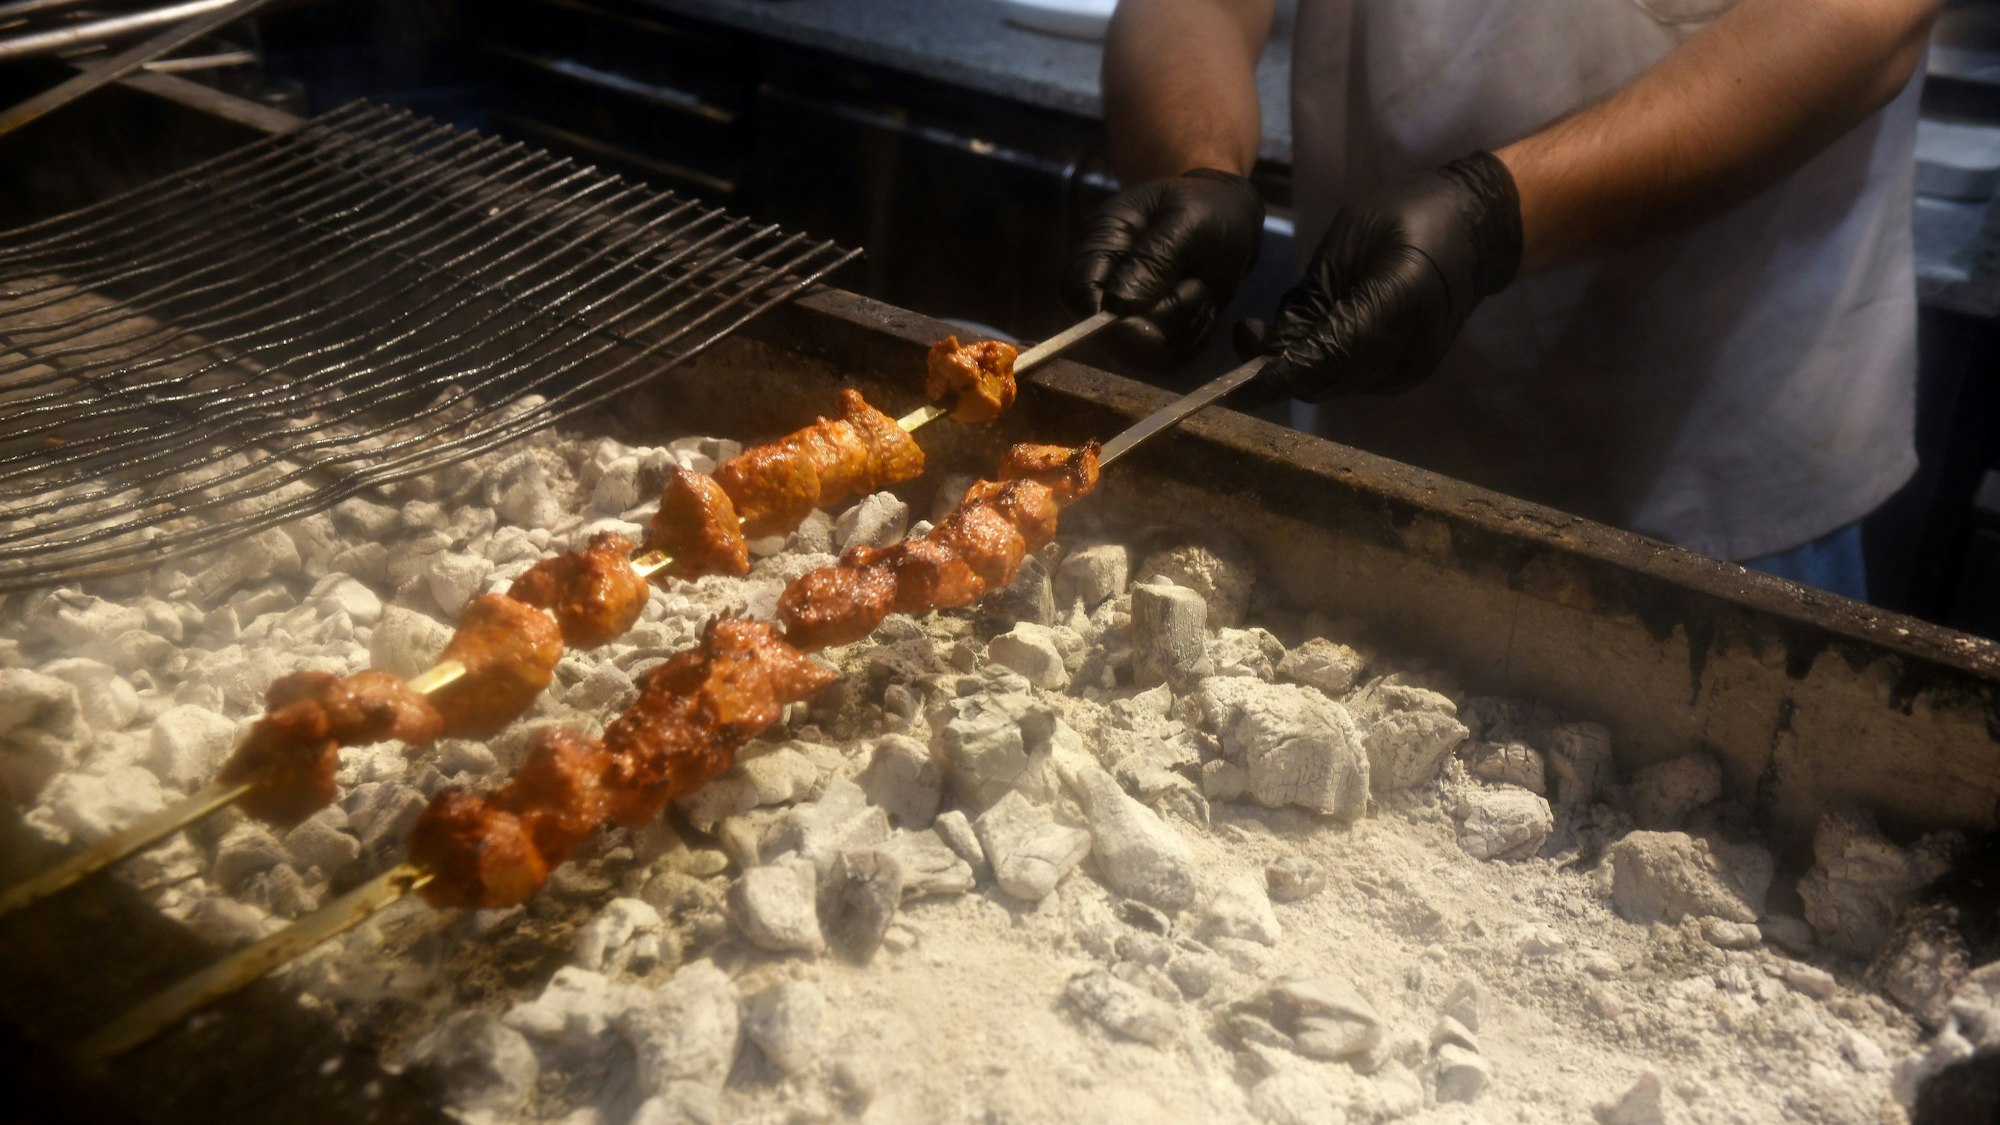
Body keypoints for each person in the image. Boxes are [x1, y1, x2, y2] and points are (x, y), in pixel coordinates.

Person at [1065, 0, 1941, 601]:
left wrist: (1495, 215)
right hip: (1387, 425)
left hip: (1712, 455)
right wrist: (1197, 162)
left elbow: (1863, 21)